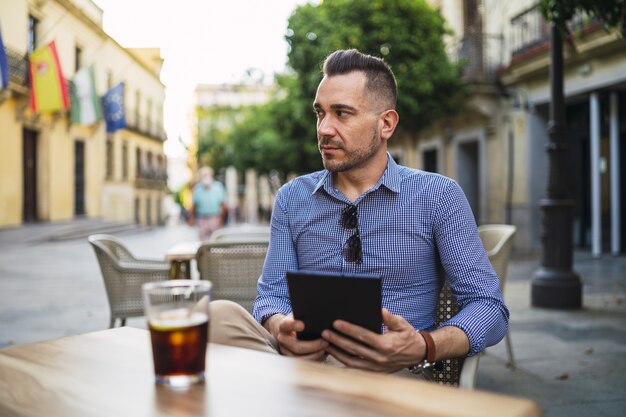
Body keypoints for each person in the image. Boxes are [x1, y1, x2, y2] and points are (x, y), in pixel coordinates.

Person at [210, 49, 508, 377]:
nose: (324, 129)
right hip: (304, 366)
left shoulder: (437, 196)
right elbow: (271, 296)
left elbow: (489, 308)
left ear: (386, 124)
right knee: (217, 316)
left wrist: (424, 345)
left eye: (342, 113)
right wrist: (282, 327)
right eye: (320, 113)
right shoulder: (291, 198)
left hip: (387, 371)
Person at [191, 167, 225, 241]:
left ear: (211, 175)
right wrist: (191, 218)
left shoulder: (218, 187)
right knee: (203, 240)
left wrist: (222, 219)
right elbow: (194, 205)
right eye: (203, 175)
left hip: (215, 218)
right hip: (202, 218)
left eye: (207, 174)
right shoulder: (197, 189)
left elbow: (222, 204)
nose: (205, 177)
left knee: (216, 239)